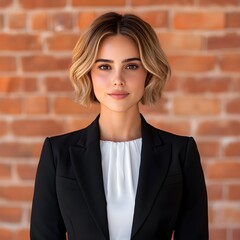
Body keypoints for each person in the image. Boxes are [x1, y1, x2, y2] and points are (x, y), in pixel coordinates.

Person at [30, 12, 208, 240]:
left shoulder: (180, 153)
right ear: (89, 73)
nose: (118, 79)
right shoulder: (58, 153)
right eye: (104, 67)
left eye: (131, 66)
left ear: (148, 71)